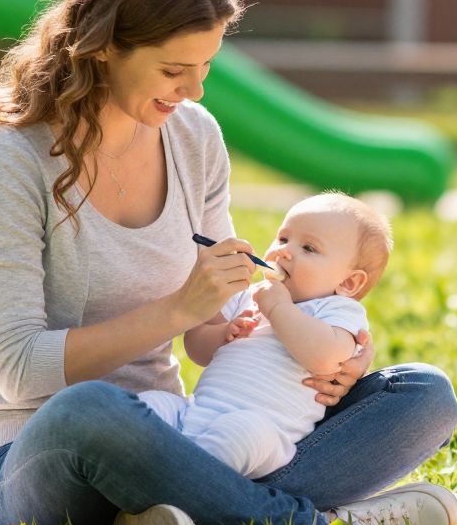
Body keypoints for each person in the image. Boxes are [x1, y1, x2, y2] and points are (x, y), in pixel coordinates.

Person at [0, 0, 457, 525]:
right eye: (173, 70)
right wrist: (172, 311)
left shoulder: (193, 138)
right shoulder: (12, 159)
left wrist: (334, 354)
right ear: (105, 46)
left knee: (424, 396)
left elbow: (214, 337)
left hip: (191, 437)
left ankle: (176, 518)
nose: (193, 91)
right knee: (95, 411)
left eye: (205, 68)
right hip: (42, 454)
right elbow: (18, 369)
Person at [134, 193, 390, 485]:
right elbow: (197, 350)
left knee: (242, 434)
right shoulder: (248, 296)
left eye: (308, 248)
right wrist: (221, 333)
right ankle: (151, 478)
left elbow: (324, 358)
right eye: (283, 239)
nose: (284, 252)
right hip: (194, 413)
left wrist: (278, 308)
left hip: (262, 433)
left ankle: (182, 489)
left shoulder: (336, 311)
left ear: (348, 282)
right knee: (150, 406)